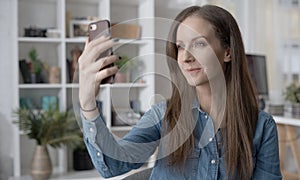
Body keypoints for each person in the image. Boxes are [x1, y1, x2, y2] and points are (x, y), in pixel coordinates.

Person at [78, 5, 282, 180]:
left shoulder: (262, 127)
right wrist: (88, 103)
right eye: (180, 47)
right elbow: (112, 164)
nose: (185, 57)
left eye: (199, 44)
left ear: (227, 52)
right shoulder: (163, 115)